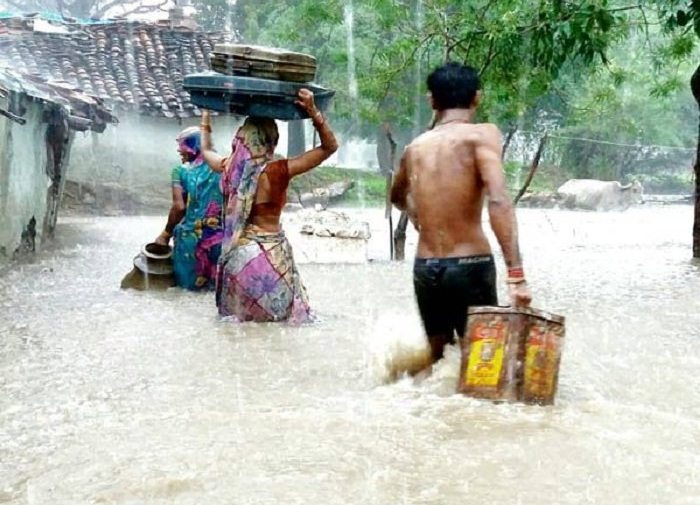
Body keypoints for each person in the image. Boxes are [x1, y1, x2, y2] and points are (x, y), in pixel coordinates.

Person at [390, 62, 532, 371]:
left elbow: (397, 197)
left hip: (426, 269)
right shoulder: (482, 135)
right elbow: (498, 199)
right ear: (477, 98)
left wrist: (417, 216)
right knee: (484, 364)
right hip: (470, 266)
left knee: (437, 361)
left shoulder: (415, 147)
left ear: (432, 101)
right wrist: (516, 276)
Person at [199, 89, 338, 323]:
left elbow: (206, 151)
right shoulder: (277, 171)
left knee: (240, 330)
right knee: (279, 328)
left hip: (238, 258)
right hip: (271, 259)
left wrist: (205, 116)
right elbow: (329, 148)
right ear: (271, 140)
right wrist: (314, 112)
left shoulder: (229, 168)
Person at [154, 127, 223, 290]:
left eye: (183, 146)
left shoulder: (180, 171)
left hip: (191, 239)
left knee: (188, 292)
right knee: (215, 292)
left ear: (195, 146)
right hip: (221, 238)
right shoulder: (223, 168)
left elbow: (179, 207)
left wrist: (165, 234)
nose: (179, 150)